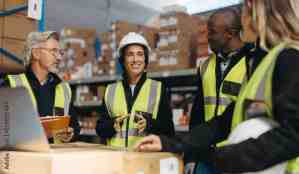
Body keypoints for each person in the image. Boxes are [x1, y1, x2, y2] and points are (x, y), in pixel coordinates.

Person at [135, 0, 299, 173]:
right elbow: (225, 122)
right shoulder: (261, 62)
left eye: (243, 11)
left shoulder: (289, 58)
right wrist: (170, 143)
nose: (241, 21)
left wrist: (226, 157)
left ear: (257, 13)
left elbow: (294, 133)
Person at [96, 32, 174, 148]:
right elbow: (100, 129)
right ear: (123, 60)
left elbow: (169, 131)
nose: (135, 59)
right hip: (116, 160)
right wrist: (112, 125)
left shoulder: (158, 89)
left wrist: (149, 124)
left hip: (144, 160)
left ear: (145, 59)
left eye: (140, 54)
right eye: (130, 54)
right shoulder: (110, 90)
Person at [2, 31, 80, 143]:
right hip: (25, 158)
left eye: (60, 53)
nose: (59, 58)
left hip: (55, 158)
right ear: (36, 53)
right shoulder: (11, 85)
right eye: (53, 51)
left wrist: (71, 133)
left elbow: (75, 126)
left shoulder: (64, 89)